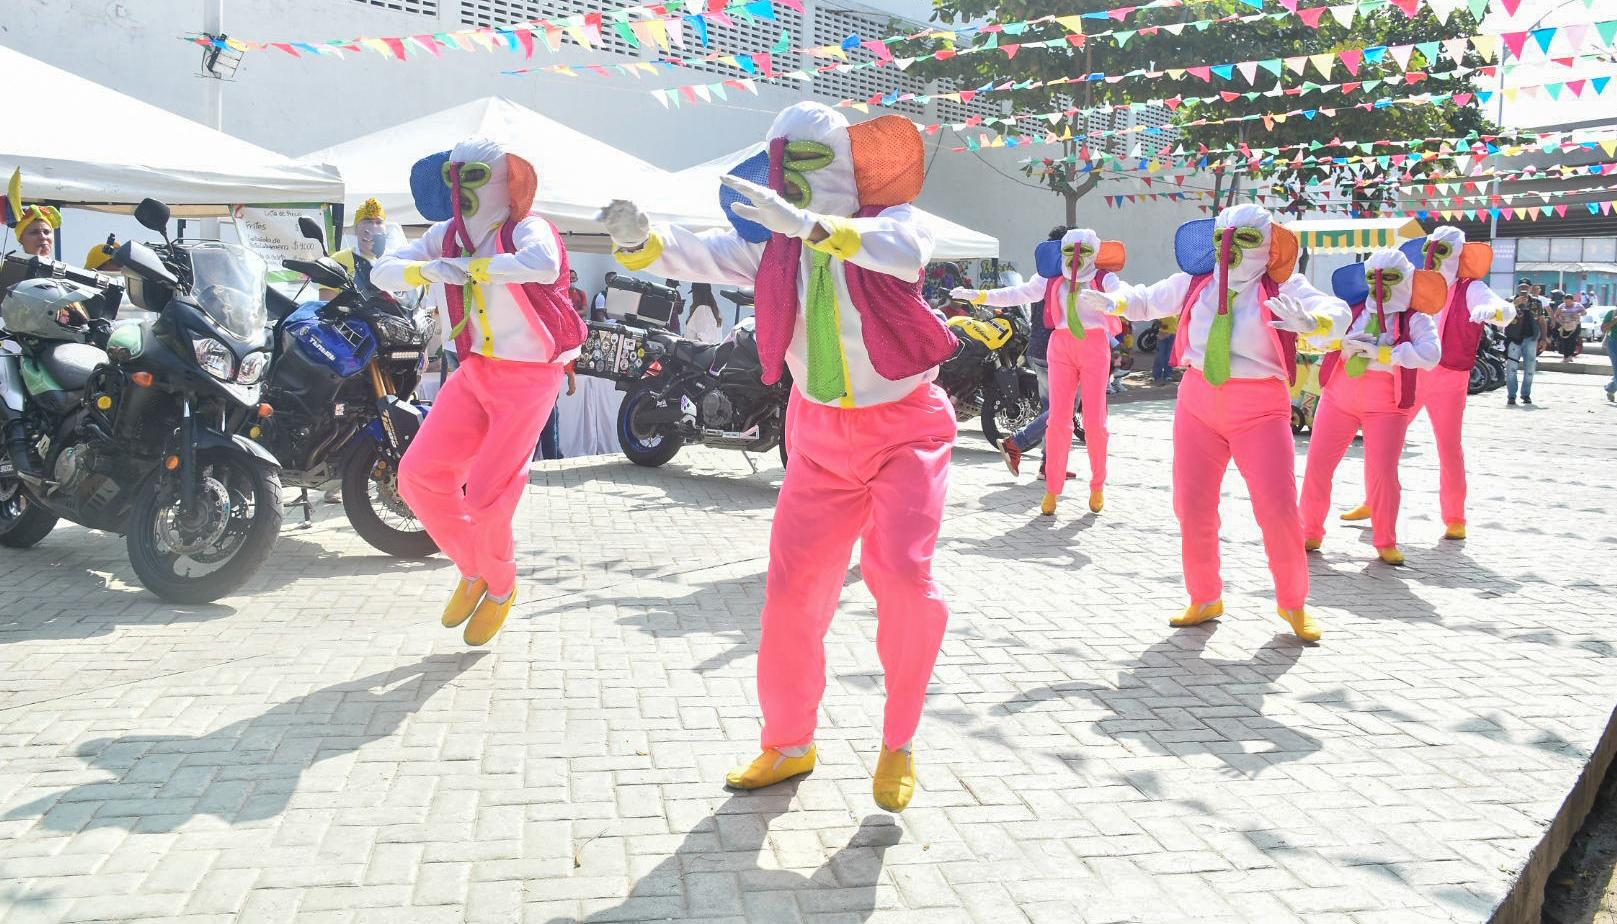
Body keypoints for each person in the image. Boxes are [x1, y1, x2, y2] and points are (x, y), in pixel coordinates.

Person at [600, 102, 959, 813]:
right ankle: (789, 742)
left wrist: (816, 228)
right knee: (791, 600)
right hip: (817, 435)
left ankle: (898, 741)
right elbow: (696, 252)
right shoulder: (775, 250)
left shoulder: (891, 224)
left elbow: (901, 254)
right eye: (781, 162)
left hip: (906, 430)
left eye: (807, 162)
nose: (791, 179)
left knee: (901, 581)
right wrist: (640, 239)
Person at [1093, 204, 1349, 643]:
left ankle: (1293, 602)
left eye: (1243, 240)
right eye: (1221, 239)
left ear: (1267, 247)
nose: (1228, 250)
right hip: (1197, 401)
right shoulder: (1196, 283)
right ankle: (1205, 595)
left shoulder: (1283, 285)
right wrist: (1112, 300)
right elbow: (1146, 300)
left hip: (1261, 407)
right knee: (1191, 506)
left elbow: (1337, 312)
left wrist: (1315, 322)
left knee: (1278, 511)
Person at [371, 137, 586, 647]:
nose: (461, 191)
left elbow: (544, 264)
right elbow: (381, 271)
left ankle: (501, 585)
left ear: (501, 180)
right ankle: (475, 569)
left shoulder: (526, 227)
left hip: (530, 376)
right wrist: (428, 268)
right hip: (474, 369)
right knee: (418, 477)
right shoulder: (445, 235)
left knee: (489, 494)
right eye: (454, 178)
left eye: (472, 177)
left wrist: (473, 269)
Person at [1340, 227, 1513, 539]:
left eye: (1442, 250)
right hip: (1413, 372)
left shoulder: (1469, 287)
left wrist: (1495, 311)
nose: (1433, 257)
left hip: (1450, 378)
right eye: (1430, 249)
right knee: (1384, 438)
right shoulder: (1414, 285)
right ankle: (1373, 501)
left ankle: (1455, 516)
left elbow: (1500, 306)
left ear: (1458, 255)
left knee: (1449, 446)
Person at [952, 228, 1126, 517]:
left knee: (1095, 420)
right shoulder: (1051, 278)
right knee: (1058, 418)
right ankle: (1052, 490)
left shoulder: (1102, 277)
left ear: (1094, 252)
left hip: (1094, 345)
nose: (1076, 259)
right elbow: (1016, 293)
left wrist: (1113, 301)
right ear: (1061, 252)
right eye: (1070, 252)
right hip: (1060, 346)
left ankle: (1097, 485)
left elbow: (1125, 294)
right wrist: (977, 295)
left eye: (1083, 252)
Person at [1300, 250, 1444, 566]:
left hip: (1387, 406)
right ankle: (1308, 529)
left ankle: (1385, 539)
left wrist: (1384, 354)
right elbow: (1320, 338)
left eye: (1389, 279)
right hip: (1338, 399)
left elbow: (1431, 355)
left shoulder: (1416, 318)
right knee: (1317, 466)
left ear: (1405, 280)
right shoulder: (1349, 311)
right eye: (1373, 279)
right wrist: (1341, 344)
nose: (1380, 288)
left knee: (1383, 474)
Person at [984, 227, 1067, 481]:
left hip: (1039, 349)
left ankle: (1048, 465)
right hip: (1056, 352)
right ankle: (1016, 443)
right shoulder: (1060, 277)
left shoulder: (1042, 274)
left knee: (1052, 408)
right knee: (1061, 410)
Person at [1503, 288, 1545, 406]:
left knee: (1530, 369)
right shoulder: (1509, 301)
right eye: (1522, 288)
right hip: (1513, 339)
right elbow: (1501, 315)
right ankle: (1511, 396)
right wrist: (1514, 304)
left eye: (1526, 288)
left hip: (1531, 338)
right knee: (1511, 368)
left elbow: (1541, 320)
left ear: (1530, 289)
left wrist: (1544, 338)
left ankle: (1526, 394)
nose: (1524, 291)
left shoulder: (1536, 303)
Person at [534, 362, 578, 461]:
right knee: (549, 427)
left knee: (550, 425)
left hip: (546, 378)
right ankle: (554, 461)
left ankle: (554, 461)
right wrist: (571, 374)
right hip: (540, 378)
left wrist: (571, 374)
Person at [1152, 313, 1179, 385]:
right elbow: (1154, 320)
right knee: (1160, 355)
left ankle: (1168, 375)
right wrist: (1161, 325)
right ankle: (1156, 376)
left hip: (1174, 335)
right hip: (1162, 334)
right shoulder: (1164, 310)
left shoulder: (1178, 311)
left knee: (1169, 356)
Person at [1603, 304, 1617, 402]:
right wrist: (1614, 321)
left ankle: (1611, 388)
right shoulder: (1612, 314)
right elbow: (1604, 328)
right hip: (1613, 343)